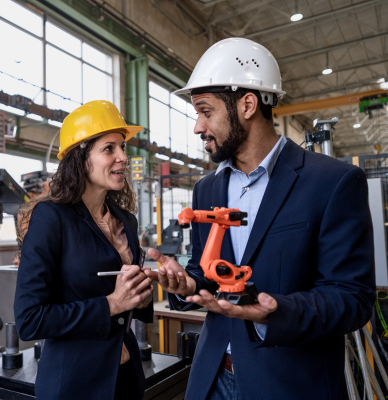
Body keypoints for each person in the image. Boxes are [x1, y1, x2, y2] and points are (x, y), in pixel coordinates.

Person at [145, 37, 375, 400]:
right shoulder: (207, 189)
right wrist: (187, 286)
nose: (198, 127)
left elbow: (352, 298)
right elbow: (208, 274)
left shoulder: (332, 182)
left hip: (290, 384)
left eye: (206, 112)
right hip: (213, 378)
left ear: (248, 104)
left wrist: (273, 312)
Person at [14, 100, 154, 400]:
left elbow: (127, 297)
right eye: (109, 149)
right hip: (76, 385)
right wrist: (112, 303)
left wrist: (142, 292)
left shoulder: (126, 220)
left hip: (126, 379)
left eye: (123, 147)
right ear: (80, 157)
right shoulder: (51, 218)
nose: (122, 157)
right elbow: (30, 319)